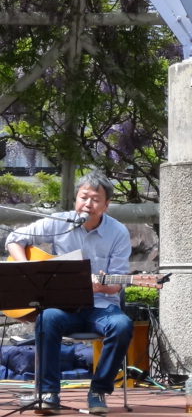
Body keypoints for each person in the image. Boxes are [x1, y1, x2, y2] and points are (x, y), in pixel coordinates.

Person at [6, 170, 133, 415]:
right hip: (64, 305)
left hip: (101, 305)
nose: (88, 204)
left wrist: (100, 285)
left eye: (96, 199)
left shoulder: (118, 232)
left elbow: (118, 282)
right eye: (84, 197)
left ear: (106, 205)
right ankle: (48, 392)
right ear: (76, 198)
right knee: (48, 318)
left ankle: (98, 391)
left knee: (122, 326)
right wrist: (28, 269)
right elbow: (15, 238)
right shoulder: (59, 222)